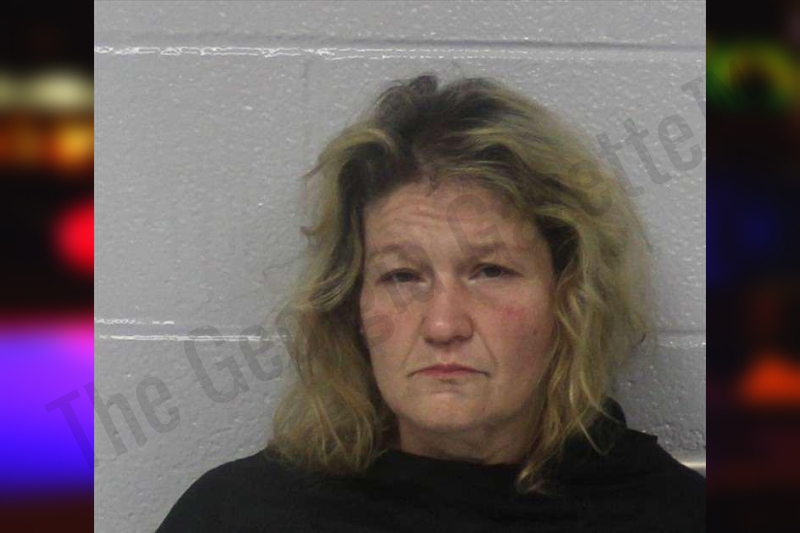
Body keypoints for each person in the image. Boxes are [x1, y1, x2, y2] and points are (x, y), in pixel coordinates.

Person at [155, 73, 705, 532]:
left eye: (490, 271)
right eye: (402, 276)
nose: (443, 325)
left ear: (568, 297)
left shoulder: (674, 515)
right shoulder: (240, 515)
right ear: (352, 308)